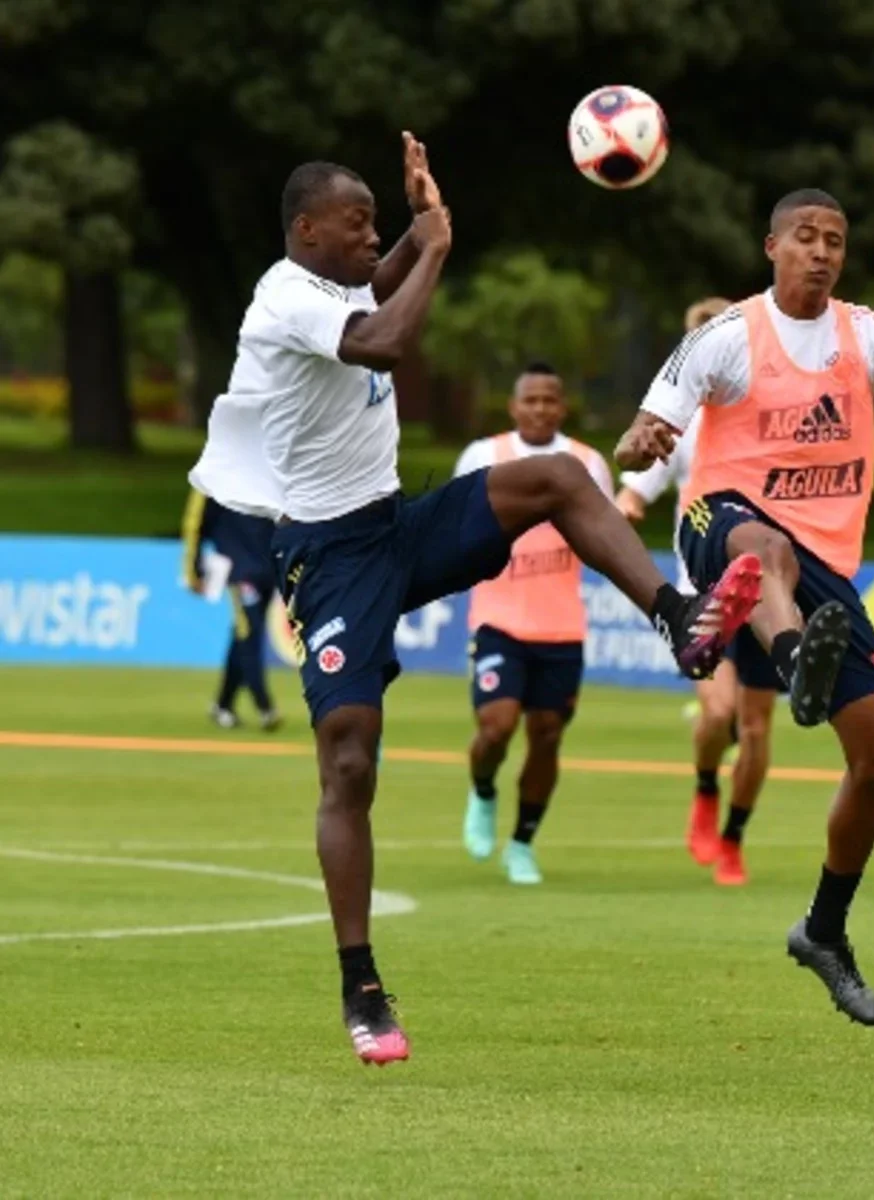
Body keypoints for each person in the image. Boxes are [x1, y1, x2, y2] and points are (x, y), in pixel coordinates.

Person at [186, 133, 761, 1067]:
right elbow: (385, 337)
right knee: (350, 761)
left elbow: (384, 283)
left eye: (378, 222)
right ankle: (361, 984)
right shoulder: (286, 296)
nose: (375, 238)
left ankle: (677, 617)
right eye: (358, 222)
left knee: (556, 479)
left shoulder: (336, 282)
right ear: (306, 230)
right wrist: (435, 245)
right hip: (327, 560)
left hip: (393, 526)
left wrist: (422, 223)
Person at [616, 189, 874, 1024]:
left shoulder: (867, 333)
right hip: (722, 524)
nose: (821, 252)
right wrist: (641, 439)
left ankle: (824, 930)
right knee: (765, 551)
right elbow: (641, 431)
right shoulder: (723, 338)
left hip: (823, 571)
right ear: (772, 247)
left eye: (835, 241)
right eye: (805, 238)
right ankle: (794, 665)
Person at [616, 297, 780, 888]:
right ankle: (707, 789)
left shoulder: (771, 417)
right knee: (717, 712)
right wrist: (626, 508)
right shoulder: (681, 430)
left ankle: (734, 839)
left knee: (757, 729)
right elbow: (637, 488)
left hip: (772, 593)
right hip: (704, 592)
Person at [456, 361, 613, 885]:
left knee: (546, 736)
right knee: (496, 726)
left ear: (562, 407)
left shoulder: (587, 462)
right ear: (514, 405)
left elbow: (604, 538)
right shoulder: (483, 456)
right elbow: (454, 524)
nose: (540, 409)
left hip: (561, 625)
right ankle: (482, 791)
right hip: (498, 617)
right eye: (531, 400)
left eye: (550, 400)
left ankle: (522, 844)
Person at [181, 488, 282, 730]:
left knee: (242, 635)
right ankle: (265, 706)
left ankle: (223, 705)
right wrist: (192, 569)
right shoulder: (214, 471)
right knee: (250, 632)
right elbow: (195, 523)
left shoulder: (269, 465)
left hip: (269, 568)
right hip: (238, 570)